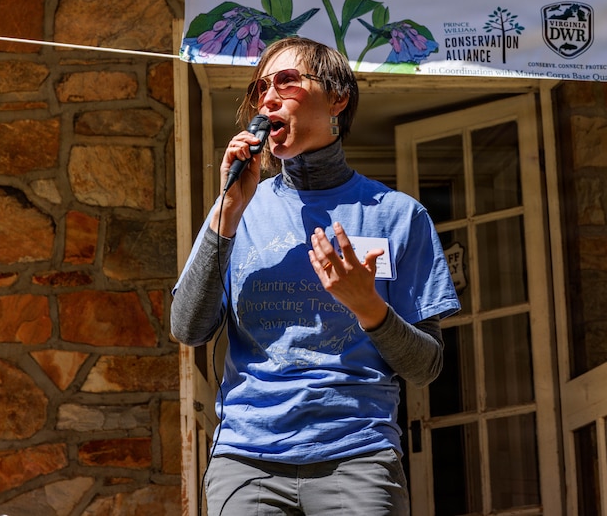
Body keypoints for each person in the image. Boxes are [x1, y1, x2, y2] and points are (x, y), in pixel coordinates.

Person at [171, 36, 460, 516]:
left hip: (358, 455)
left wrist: (368, 307)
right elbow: (188, 328)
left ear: (338, 98)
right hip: (247, 461)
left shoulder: (398, 216)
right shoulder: (239, 210)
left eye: (286, 81)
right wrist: (227, 212)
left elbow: (425, 367)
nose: (268, 97)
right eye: (260, 87)